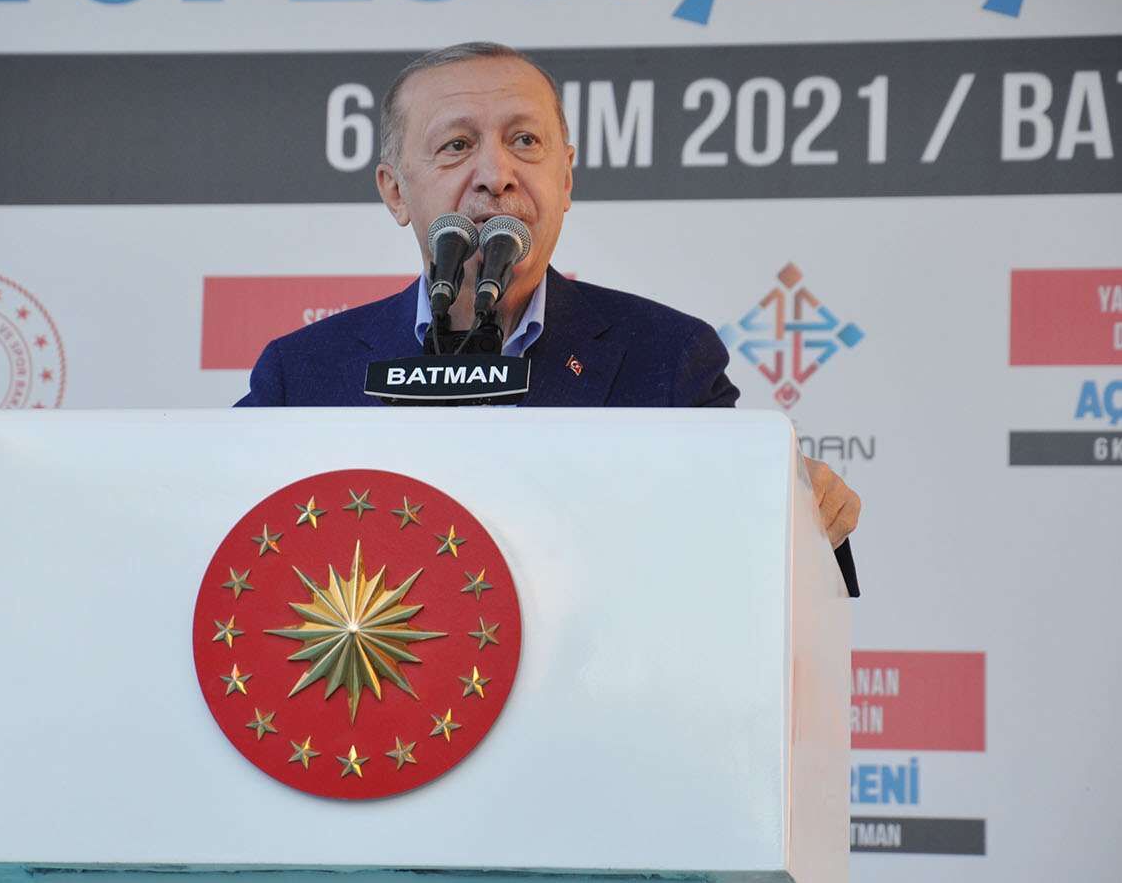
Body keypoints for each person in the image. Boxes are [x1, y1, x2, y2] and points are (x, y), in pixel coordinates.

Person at [236, 42, 861, 594]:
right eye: (457, 146)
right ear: (395, 191)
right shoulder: (303, 374)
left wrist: (795, 508)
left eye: (525, 142)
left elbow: (749, 562)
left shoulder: (667, 358)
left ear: (566, 178)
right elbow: (218, 530)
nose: (496, 176)